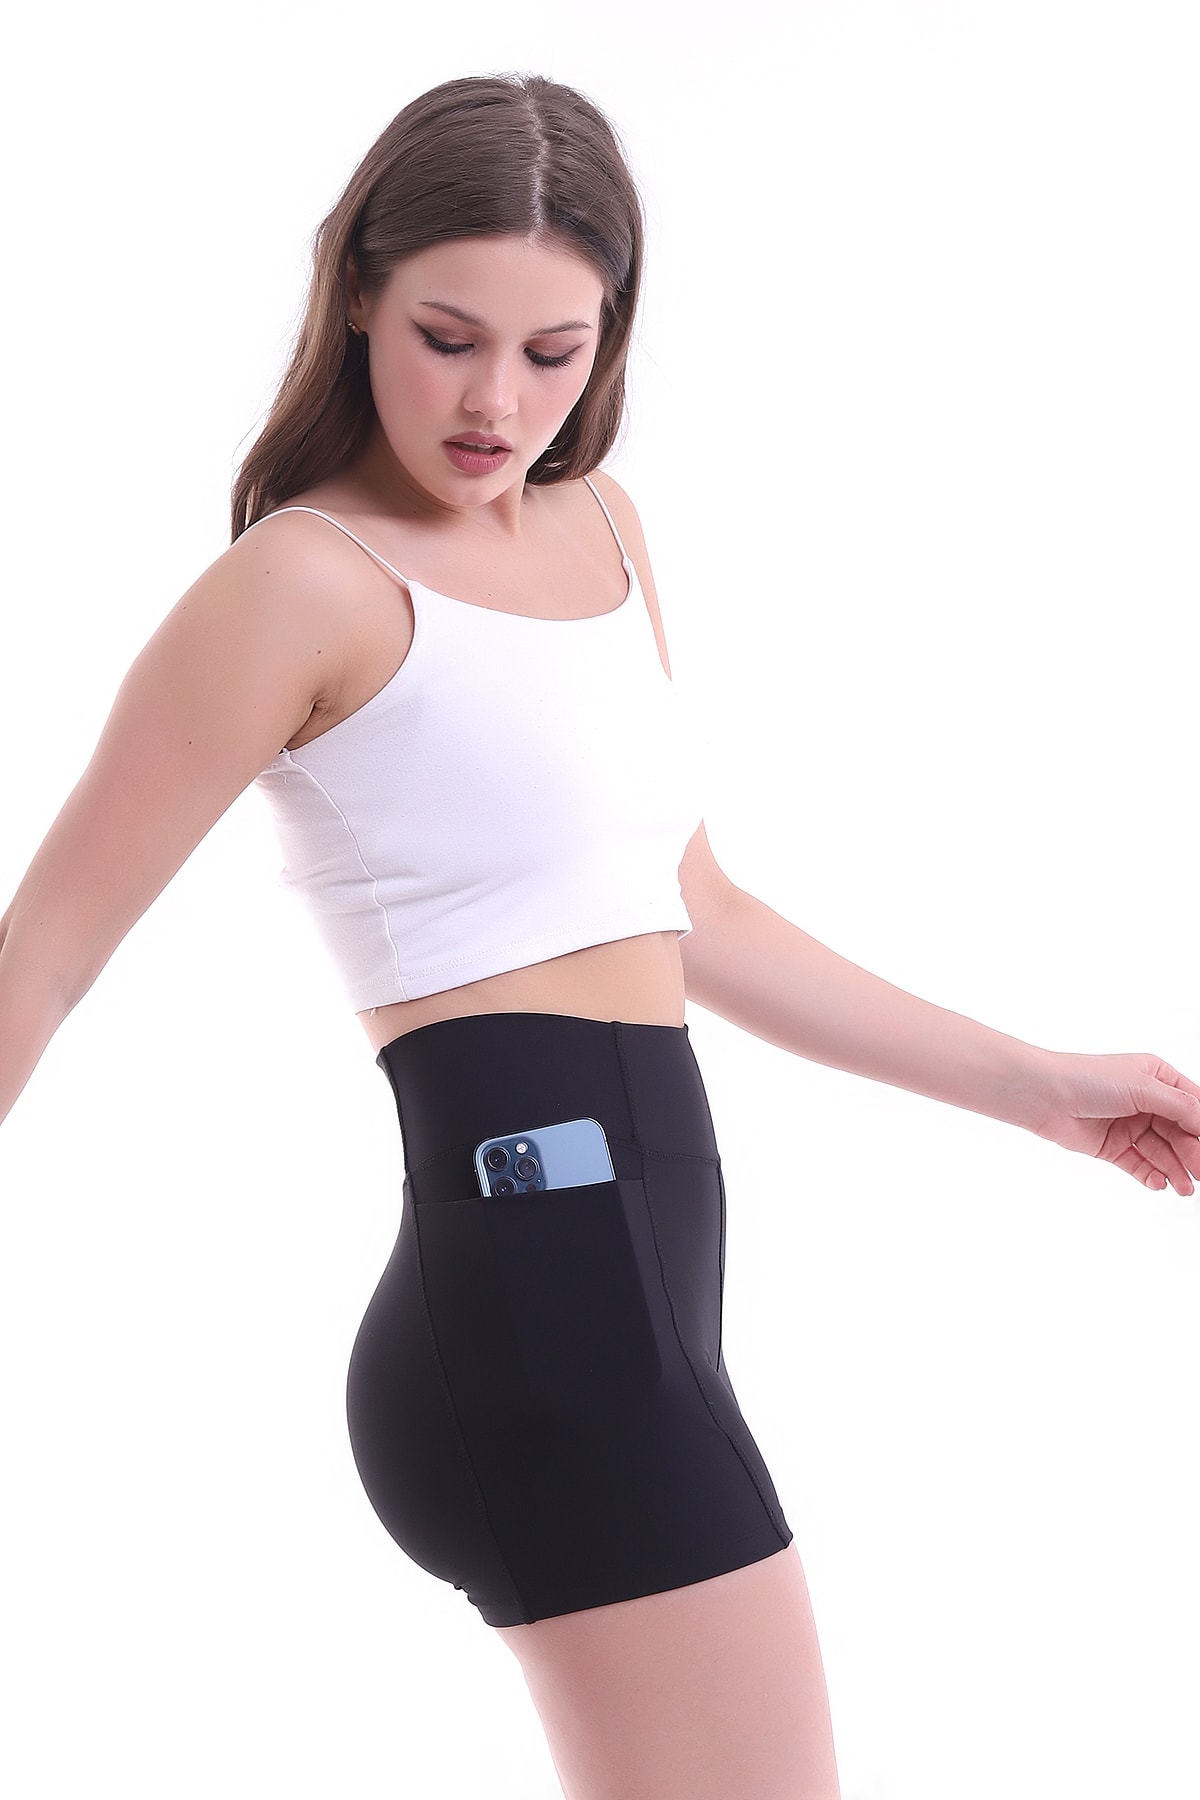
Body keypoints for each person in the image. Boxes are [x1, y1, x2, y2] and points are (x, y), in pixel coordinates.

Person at [1, 71, 1197, 1800]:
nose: (497, 401)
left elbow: (696, 912)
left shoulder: (605, 530)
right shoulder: (302, 584)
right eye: (449, 338)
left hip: (643, 1293)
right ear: (358, 292)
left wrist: (1044, 1089)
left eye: (552, 353)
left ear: (611, 336)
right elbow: (40, 955)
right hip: (539, 1304)